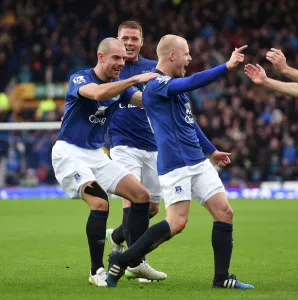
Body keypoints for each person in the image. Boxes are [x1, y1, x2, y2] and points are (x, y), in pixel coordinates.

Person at [106, 35, 254, 290]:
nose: (190, 58)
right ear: (172, 55)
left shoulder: (173, 86)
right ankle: (122, 259)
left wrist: (212, 151)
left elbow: (189, 123)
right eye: (186, 54)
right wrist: (226, 67)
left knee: (224, 212)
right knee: (177, 223)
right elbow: (194, 81)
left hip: (197, 160)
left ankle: (222, 278)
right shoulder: (155, 84)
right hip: (175, 163)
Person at [51, 37, 158, 287]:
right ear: (101, 57)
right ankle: (96, 270)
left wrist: (166, 90)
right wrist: (132, 79)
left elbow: (142, 100)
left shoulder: (120, 86)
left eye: (123, 59)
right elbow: (97, 93)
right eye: (116, 58)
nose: (121, 63)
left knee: (142, 197)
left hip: (97, 154)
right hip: (69, 152)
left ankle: (133, 261)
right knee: (100, 203)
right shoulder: (81, 78)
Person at [105, 21, 166, 282]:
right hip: (121, 144)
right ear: (117, 40)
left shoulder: (154, 68)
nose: (129, 43)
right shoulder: (111, 67)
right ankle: (135, 261)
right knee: (132, 198)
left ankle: (117, 236)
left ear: (142, 41)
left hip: (152, 146)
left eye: (133, 39)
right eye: (124, 38)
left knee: (151, 209)